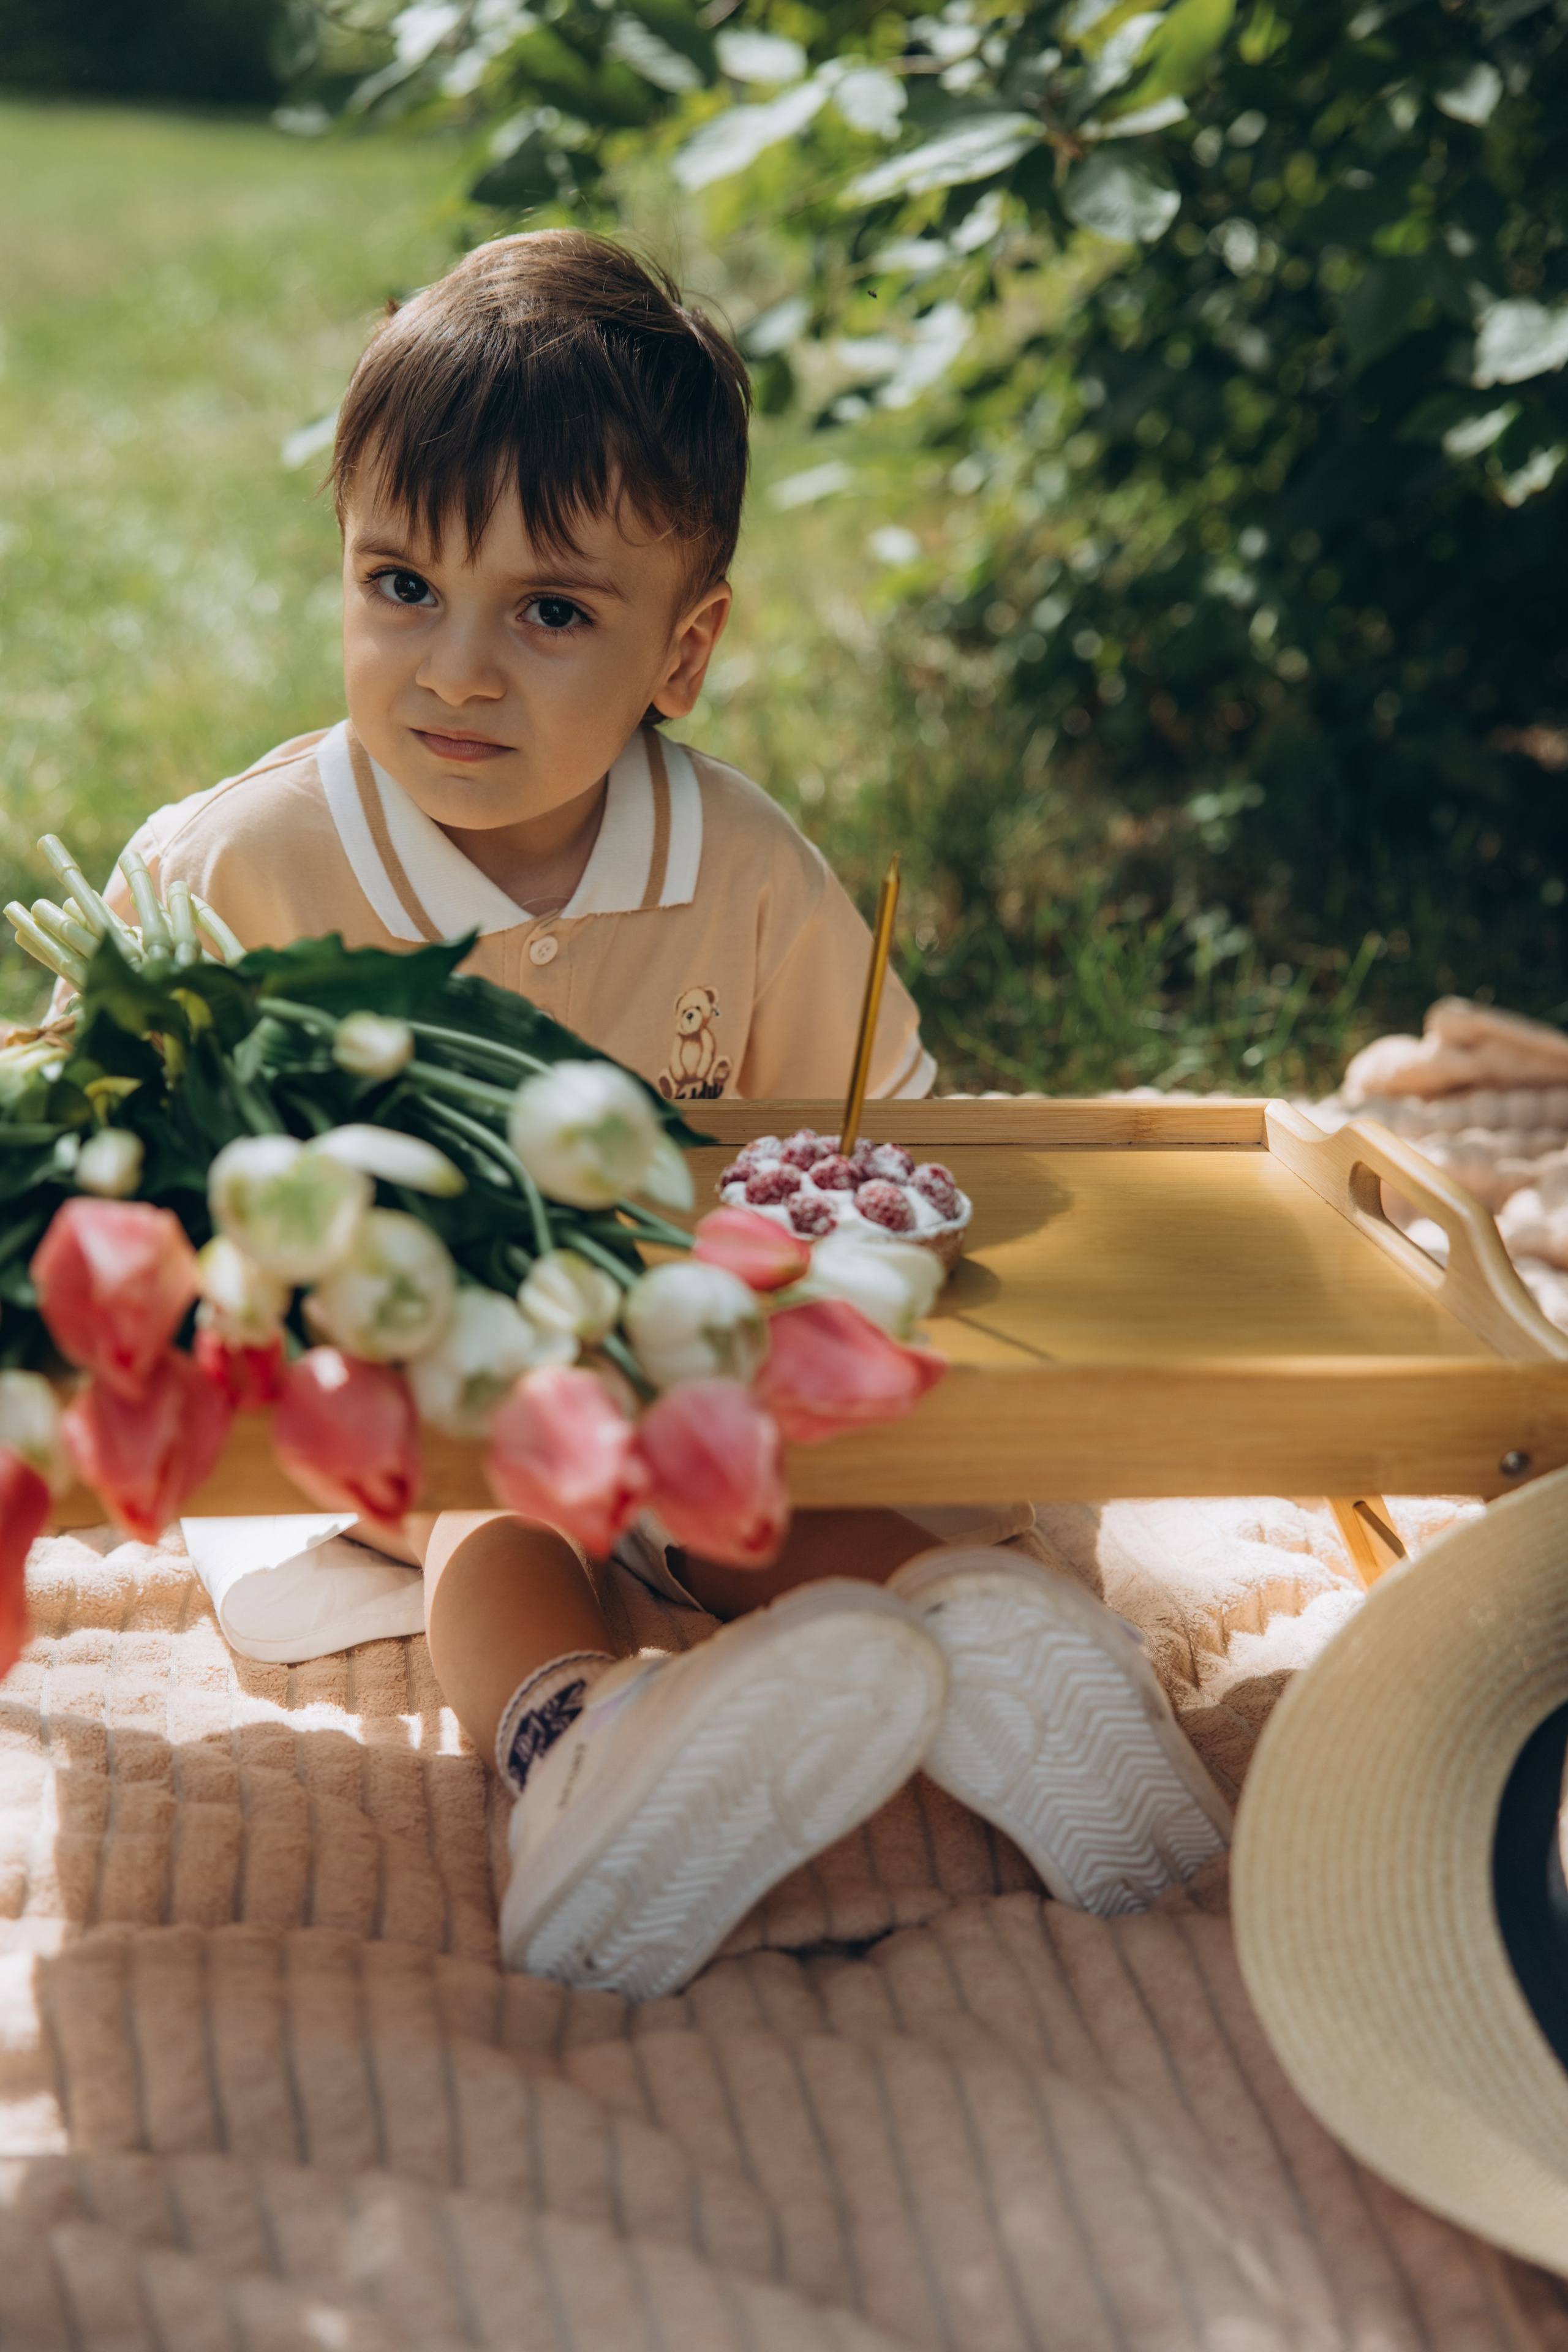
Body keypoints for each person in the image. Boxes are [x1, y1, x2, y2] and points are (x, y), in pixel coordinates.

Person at [102, 232, 1230, 1997]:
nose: (457, 669)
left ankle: (999, 1669)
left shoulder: (745, 871)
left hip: (701, 1375)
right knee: (511, 1514)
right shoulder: (240, 874)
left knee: (762, 1501)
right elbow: (122, 1186)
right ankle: (583, 1752)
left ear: (683, 650)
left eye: (549, 612)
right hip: (407, 1409)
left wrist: (838, 1258)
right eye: (402, 585)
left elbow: (894, 1144)